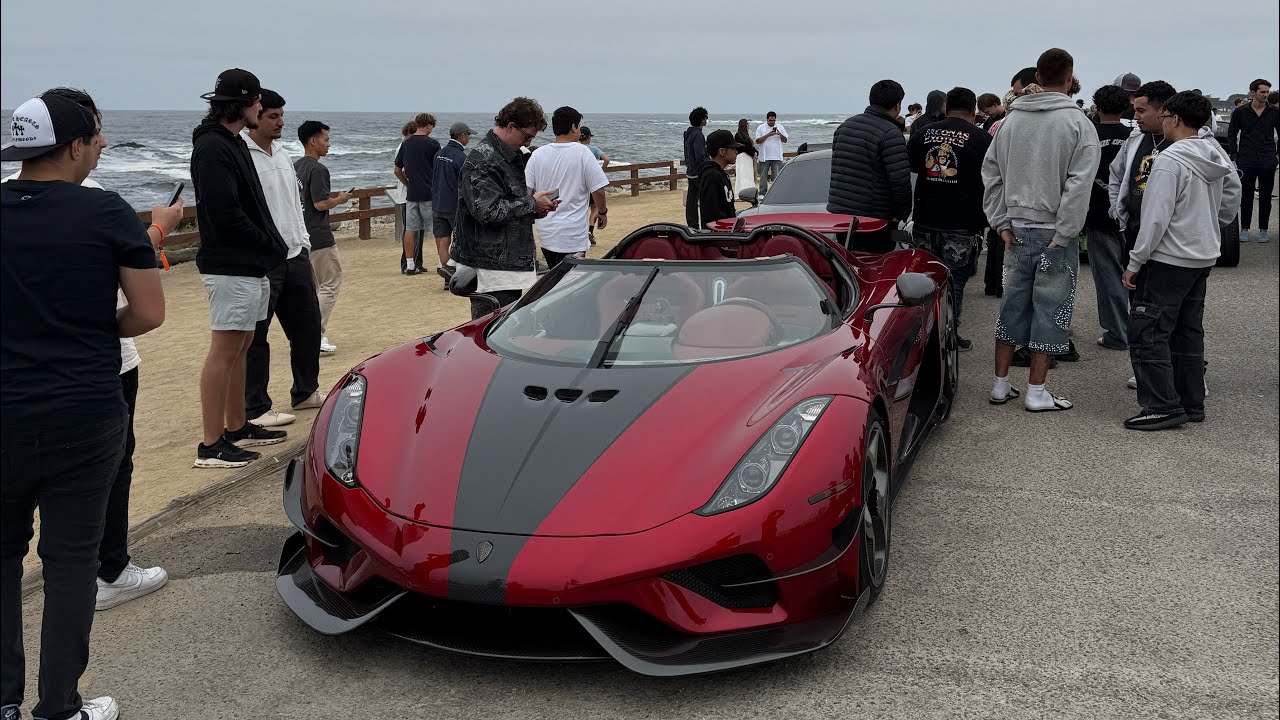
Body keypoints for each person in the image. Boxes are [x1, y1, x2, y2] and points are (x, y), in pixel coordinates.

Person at [2, 88, 177, 720]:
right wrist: (93, 330)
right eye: (97, 136)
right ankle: (59, 707)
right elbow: (150, 313)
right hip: (84, 406)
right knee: (71, 561)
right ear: (75, 145)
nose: (102, 144)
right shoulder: (104, 213)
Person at [982, 48, 1100, 413]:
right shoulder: (1078, 124)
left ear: (1037, 75)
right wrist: (1065, 232)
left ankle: (1001, 384)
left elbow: (991, 174)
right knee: (1052, 309)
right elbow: (1080, 184)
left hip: (1015, 227)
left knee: (1013, 303)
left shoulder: (1010, 123)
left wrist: (1000, 221)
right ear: (1069, 76)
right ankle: (1036, 390)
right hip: (1053, 230)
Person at [1121, 91, 1241, 430]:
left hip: (1168, 258)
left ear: (1174, 118)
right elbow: (1233, 194)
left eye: (1165, 116)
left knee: (1148, 332)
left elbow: (1155, 218)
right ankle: (1191, 403)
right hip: (1201, 255)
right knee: (1188, 331)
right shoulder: (1212, 153)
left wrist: (1135, 261)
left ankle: (1161, 405)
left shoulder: (1171, 160)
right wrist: (1211, 223)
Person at [191, 69, 290, 467]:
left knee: (242, 346)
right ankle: (210, 443)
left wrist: (268, 246)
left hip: (248, 263)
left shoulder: (230, 141)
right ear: (243, 105)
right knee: (225, 348)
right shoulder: (213, 147)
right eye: (258, 104)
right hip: (230, 262)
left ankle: (236, 425)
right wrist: (267, 241)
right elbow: (224, 211)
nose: (261, 110)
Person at [243, 90, 324, 435]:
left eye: (281, 116)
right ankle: (256, 407)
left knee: (308, 327)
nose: (279, 122)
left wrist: (303, 243)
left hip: (295, 254)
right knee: (257, 337)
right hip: (263, 260)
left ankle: (305, 391)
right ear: (255, 116)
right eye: (271, 116)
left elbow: (294, 203)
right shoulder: (241, 154)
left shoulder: (283, 154)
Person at [452, 97, 559, 319]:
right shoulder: (484, 160)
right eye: (527, 136)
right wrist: (531, 203)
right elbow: (486, 211)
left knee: (501, 327)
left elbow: (502, 205)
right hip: (490, 266)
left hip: (501, 263)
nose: (528, 143)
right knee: (491, 331)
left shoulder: (500, 156)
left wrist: (534, 209)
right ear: (511, 126)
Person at [906, 86, 992, 350]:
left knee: (926, 279)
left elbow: (911, 167)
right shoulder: (981, 138)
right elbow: (992, 178)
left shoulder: (921, 134)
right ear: (972, 108)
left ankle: (923, 336)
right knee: (954, 279)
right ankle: (948, 335)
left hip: (926, 217)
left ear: (946, 106)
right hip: (962, 221)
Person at [828, 79, 912, 253]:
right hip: (874, 218)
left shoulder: (845, 127)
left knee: (848, 264)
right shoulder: (890, 133)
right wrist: (902, 214)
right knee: (874, 268)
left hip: (842, 215)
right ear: (897, 106)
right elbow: (900, 180)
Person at [1086, 84, 1138, 352]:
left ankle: (1118, 332)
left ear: (1097, 106)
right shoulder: (1133, 137)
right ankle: (1138, 329)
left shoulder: (1088, 135)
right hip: (1131, 215)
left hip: (1096, 213)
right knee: (1134, 274)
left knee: (1108, 277)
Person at [524, 106, 609, 269]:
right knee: (570, 285)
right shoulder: (582, 152)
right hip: (572, 235)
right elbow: (598, 189)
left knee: (553, 280)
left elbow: (526, 192)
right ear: (573, 127)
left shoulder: (538, 154)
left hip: (546, 233)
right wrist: (602, 212)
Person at [295, 120, 351, 353]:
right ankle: (314, 335)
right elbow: (320, 203)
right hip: (318, 235)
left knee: (312, 288)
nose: (328, 144)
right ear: (313, 141)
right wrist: (340, 199)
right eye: (326, 139)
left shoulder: (295, 165)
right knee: (330, 284)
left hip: (300, 234)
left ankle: (304, 333)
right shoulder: (318, 169)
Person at [1227, 78, 1279, 243]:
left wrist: (1277, 156)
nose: (1265, 95)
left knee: (1265, 196)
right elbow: (1231, 134)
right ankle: (1245, 229)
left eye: (1267, 92)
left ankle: (1263, 230)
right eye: (1262, 92)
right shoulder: (1240, 112)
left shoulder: (1275, 112)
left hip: (1267, 158)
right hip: (1246, 159)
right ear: (1253, 92)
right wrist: (1234, 155)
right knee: (1246, 196)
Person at [394, 112, 441, 274]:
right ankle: (442, 264)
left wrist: (408, 183)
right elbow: (438, 169)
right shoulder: (433, 144)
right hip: (429, 193)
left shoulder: (405, 144)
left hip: (412, 194)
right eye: (431, 127)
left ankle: (410, 265)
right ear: (428, 125)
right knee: (437, 230)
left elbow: (397, 170)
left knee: (410, 229)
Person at [431, 121, 472, 288]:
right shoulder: (461, 157)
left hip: (438, 203)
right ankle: (455, 273)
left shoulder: (439, 153)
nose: (469, 138)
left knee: (443, 240)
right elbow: (466, 183)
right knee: (460, 240)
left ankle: (447, 275)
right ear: (462, 135)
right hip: (454, 205)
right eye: (468, 135)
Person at [699, 129, 747, 227]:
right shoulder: (711, 176)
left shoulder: (720, 174)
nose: (736, 152)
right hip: (717, 236)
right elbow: (712, 214)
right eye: (733, 149)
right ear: (722, 151)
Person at [578, 126, 609, 243]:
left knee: (581, 208)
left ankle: (581, 232)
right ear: (589, 138)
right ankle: (590, 230)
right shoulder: (594, 149)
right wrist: (601, 171)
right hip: (591, 183)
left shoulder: (576, 148)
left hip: (579, 184)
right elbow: (606, 159)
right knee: (594, 207)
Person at [683, 107, 709, 228]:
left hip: (690, 171)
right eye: (706, 117)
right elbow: (700, 155)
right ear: (702, 119)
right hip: (698, 172)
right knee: (704, 200)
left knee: (692, 200)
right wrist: (708, 166)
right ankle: (705, 225)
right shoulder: (698, 135)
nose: (706, 120)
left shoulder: (688, 133)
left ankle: (692, 224)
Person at [754, 111, 788, 194]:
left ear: (776, 119)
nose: (772, 122)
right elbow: (757, 141)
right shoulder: (761, 128)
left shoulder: (780, 127)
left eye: (773, 121)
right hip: (764, 156)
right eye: (770, 120)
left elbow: (785, 140)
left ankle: (776, 193)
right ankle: (762, 193)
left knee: (776, 177)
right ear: (767, 119)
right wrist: (768, 135)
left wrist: (780, 134)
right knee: (763, 177)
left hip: (777, 156)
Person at [734, 118, 758, 195]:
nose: (745, 127)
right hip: (742, 157)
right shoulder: (738, 135)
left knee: (748, 174)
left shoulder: (746, 135)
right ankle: (742, 193)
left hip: (747, 157)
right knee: (743, 174)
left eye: (746, 126)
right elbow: (742, 147)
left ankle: (748, 192)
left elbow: (749, 146)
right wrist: (752, 152)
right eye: (743, 126)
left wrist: (755, 151)